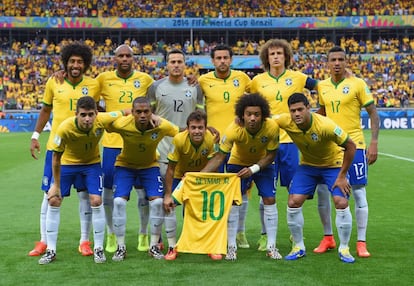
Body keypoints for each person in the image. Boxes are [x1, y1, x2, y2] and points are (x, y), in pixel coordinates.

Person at [29, 42, 100, 257]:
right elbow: (45, 110)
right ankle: (43, 241)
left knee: (85, 196)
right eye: (72, 61)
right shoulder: (54, 81)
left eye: (79, 61)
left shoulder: (95, 84)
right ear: (65, 63)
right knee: (48, 195)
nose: (75, 64)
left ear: (85, 64)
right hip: (56, 148)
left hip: (84, 150)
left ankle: (84, 241)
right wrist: (35, 136)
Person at [38, 96, 125, 264]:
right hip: (67, 165)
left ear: (96, 114)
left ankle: (98, 249)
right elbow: (56, 158)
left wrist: (153, 117)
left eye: (91, 114)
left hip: (91, 165)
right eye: (83, 115)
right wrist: (55, 185)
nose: (87, 119)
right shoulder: (64, 128)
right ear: (76, 114)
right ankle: (51, 250)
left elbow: (125, 112)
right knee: (54, 200)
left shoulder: (102, 120)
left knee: (96, 200)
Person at [273, 92, 357, 263]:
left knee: (341, 202)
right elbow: (265, 121)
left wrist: (342, 176)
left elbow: (351, 146)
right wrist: (240, 119)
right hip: (308, 166)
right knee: (293, 201)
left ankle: (344, 248)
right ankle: (298, 247)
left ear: (308, 109)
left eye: (300, 110)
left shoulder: (325, 125)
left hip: (333, 165)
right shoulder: (285, 121)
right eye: (293, 110)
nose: (296, 114)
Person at [250, 38, 317, 251]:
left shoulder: (298, 77)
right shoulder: (257, 81)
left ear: (286, 56)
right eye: (272, 54)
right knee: (265, 192)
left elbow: (321, 87)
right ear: (266, 58)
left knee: (293, 189)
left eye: (280, 53)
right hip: (266, 140)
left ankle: (293, 233)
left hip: (291, 141)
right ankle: (263, 235)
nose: (276, 57)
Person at [314, 46, 379, 258]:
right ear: (327, 62)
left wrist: (374, 142)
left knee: (359, 193)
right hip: (329, 147)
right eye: (333, 59)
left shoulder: (358, 84)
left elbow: (373, 113)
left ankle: (361, 242)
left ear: (346, 61)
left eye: (341, 59)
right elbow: (322, 113)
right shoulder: (322, 86)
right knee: (324, 192)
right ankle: (328, 238)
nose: (337, 63)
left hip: (356, 145)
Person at [201, 93, 281, 261]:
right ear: (242, 115)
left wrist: (253, 169)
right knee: (234, 201)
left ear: (263, 115)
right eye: (248, 114)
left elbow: (272, 155)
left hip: (262, 164)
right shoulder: (233, 129)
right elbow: (219, 157)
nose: (252, 118)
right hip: (237, 163)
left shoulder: (272, 127)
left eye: (256, 114)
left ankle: (272, 247)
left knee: (269, 199)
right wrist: (200, 175)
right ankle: (231, 247)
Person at [95, 44, 154, 253]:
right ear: (115, 58)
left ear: (133, 58)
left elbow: (160, 96)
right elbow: (88, 101)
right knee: (109, 193)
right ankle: (111, 233)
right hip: (112, 145)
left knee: (143, 192)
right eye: (121, 56)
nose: (125, 59)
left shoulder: (146, 79)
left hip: (139, 143)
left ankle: (143, 233)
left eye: (129, 55)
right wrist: (109, 116)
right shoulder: (103, 79)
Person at [147, 48, 204, 254]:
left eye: (180, 61)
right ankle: (161, 240)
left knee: (191, 199)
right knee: (165, 199)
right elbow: (150, 117)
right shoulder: (155, 87)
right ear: (166, 64)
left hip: (189, 152)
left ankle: (193, 239)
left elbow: (200, 117)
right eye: (173, 61)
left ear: (185, 64)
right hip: (163, 150)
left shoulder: (194, 87)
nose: (177, 65)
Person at [108, 97, 179, 261]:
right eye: (138, 112)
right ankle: (120, 247)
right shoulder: (122, 124)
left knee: (156, 203)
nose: (142, 115)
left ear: (151, 113)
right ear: (132, 113)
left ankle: (153, 246)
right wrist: (122, 111)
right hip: (125, 166)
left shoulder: (161, 126)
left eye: (146, 112)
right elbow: (104, 123)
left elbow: (179, 132)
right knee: (118, 202)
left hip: (149, 166)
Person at [198, 44, 252, 249]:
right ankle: (217, 232)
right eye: (218, 58)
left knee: (242, 190)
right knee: (215, 190)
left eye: (225, 58)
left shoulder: (243, 79)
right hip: (214, 146)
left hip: (239, 144)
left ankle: (240, 232)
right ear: (212, 61)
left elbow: (258, 98)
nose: (222, 61)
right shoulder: (203, 81)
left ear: (231, 59)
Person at [163, 110, 217, 260]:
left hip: (201, 179)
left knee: (208, 209)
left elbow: (215, 165)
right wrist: (167, 195)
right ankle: (172, 247)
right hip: (180, 178)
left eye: (200, 127)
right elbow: (170, 169)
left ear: (206, 128)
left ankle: (210, 246)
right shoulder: (179, 140)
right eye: (193, 127)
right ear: (187, 128)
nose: (197, 131)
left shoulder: (211, 140)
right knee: (169, 205)